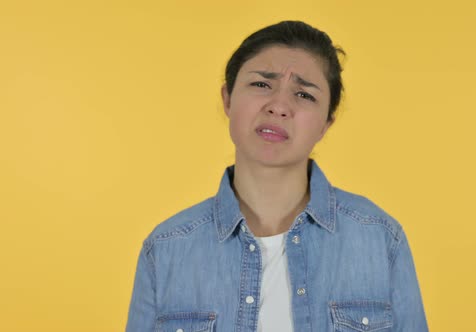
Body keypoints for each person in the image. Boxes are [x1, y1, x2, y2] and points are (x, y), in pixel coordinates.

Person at [126, 20, 428, 332]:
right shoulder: (166, 249)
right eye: (262, 85)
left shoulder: (379, 239)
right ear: (227, 99)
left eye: (304, 94)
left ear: (326, 124)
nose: (279, 106)